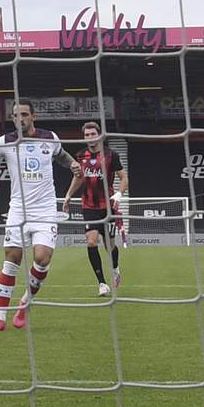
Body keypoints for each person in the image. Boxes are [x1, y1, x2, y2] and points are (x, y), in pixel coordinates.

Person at [0, 100, 79, 332]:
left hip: (45, 209)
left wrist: (73, 163)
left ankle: (26, 301)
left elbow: (62, 156)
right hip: (18, 208)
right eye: (16, 115)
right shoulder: (4, 142)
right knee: (11, 260)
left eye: (25, 114)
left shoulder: (49, 138)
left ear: (33, 116)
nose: (20, 119)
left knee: (42, 258)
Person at [61, 121, 127, 296]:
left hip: (108, 207)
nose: (90, 137)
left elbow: (124, 177)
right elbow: (79, 178)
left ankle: (115, 268)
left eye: (92, 134)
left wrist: (119, 193)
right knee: (91, 241)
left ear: (99, 135)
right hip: (89, 206)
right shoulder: (80, 156)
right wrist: (68, 195)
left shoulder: (111, 155)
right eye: (87, 135)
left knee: (109, 244)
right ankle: (102, 284)